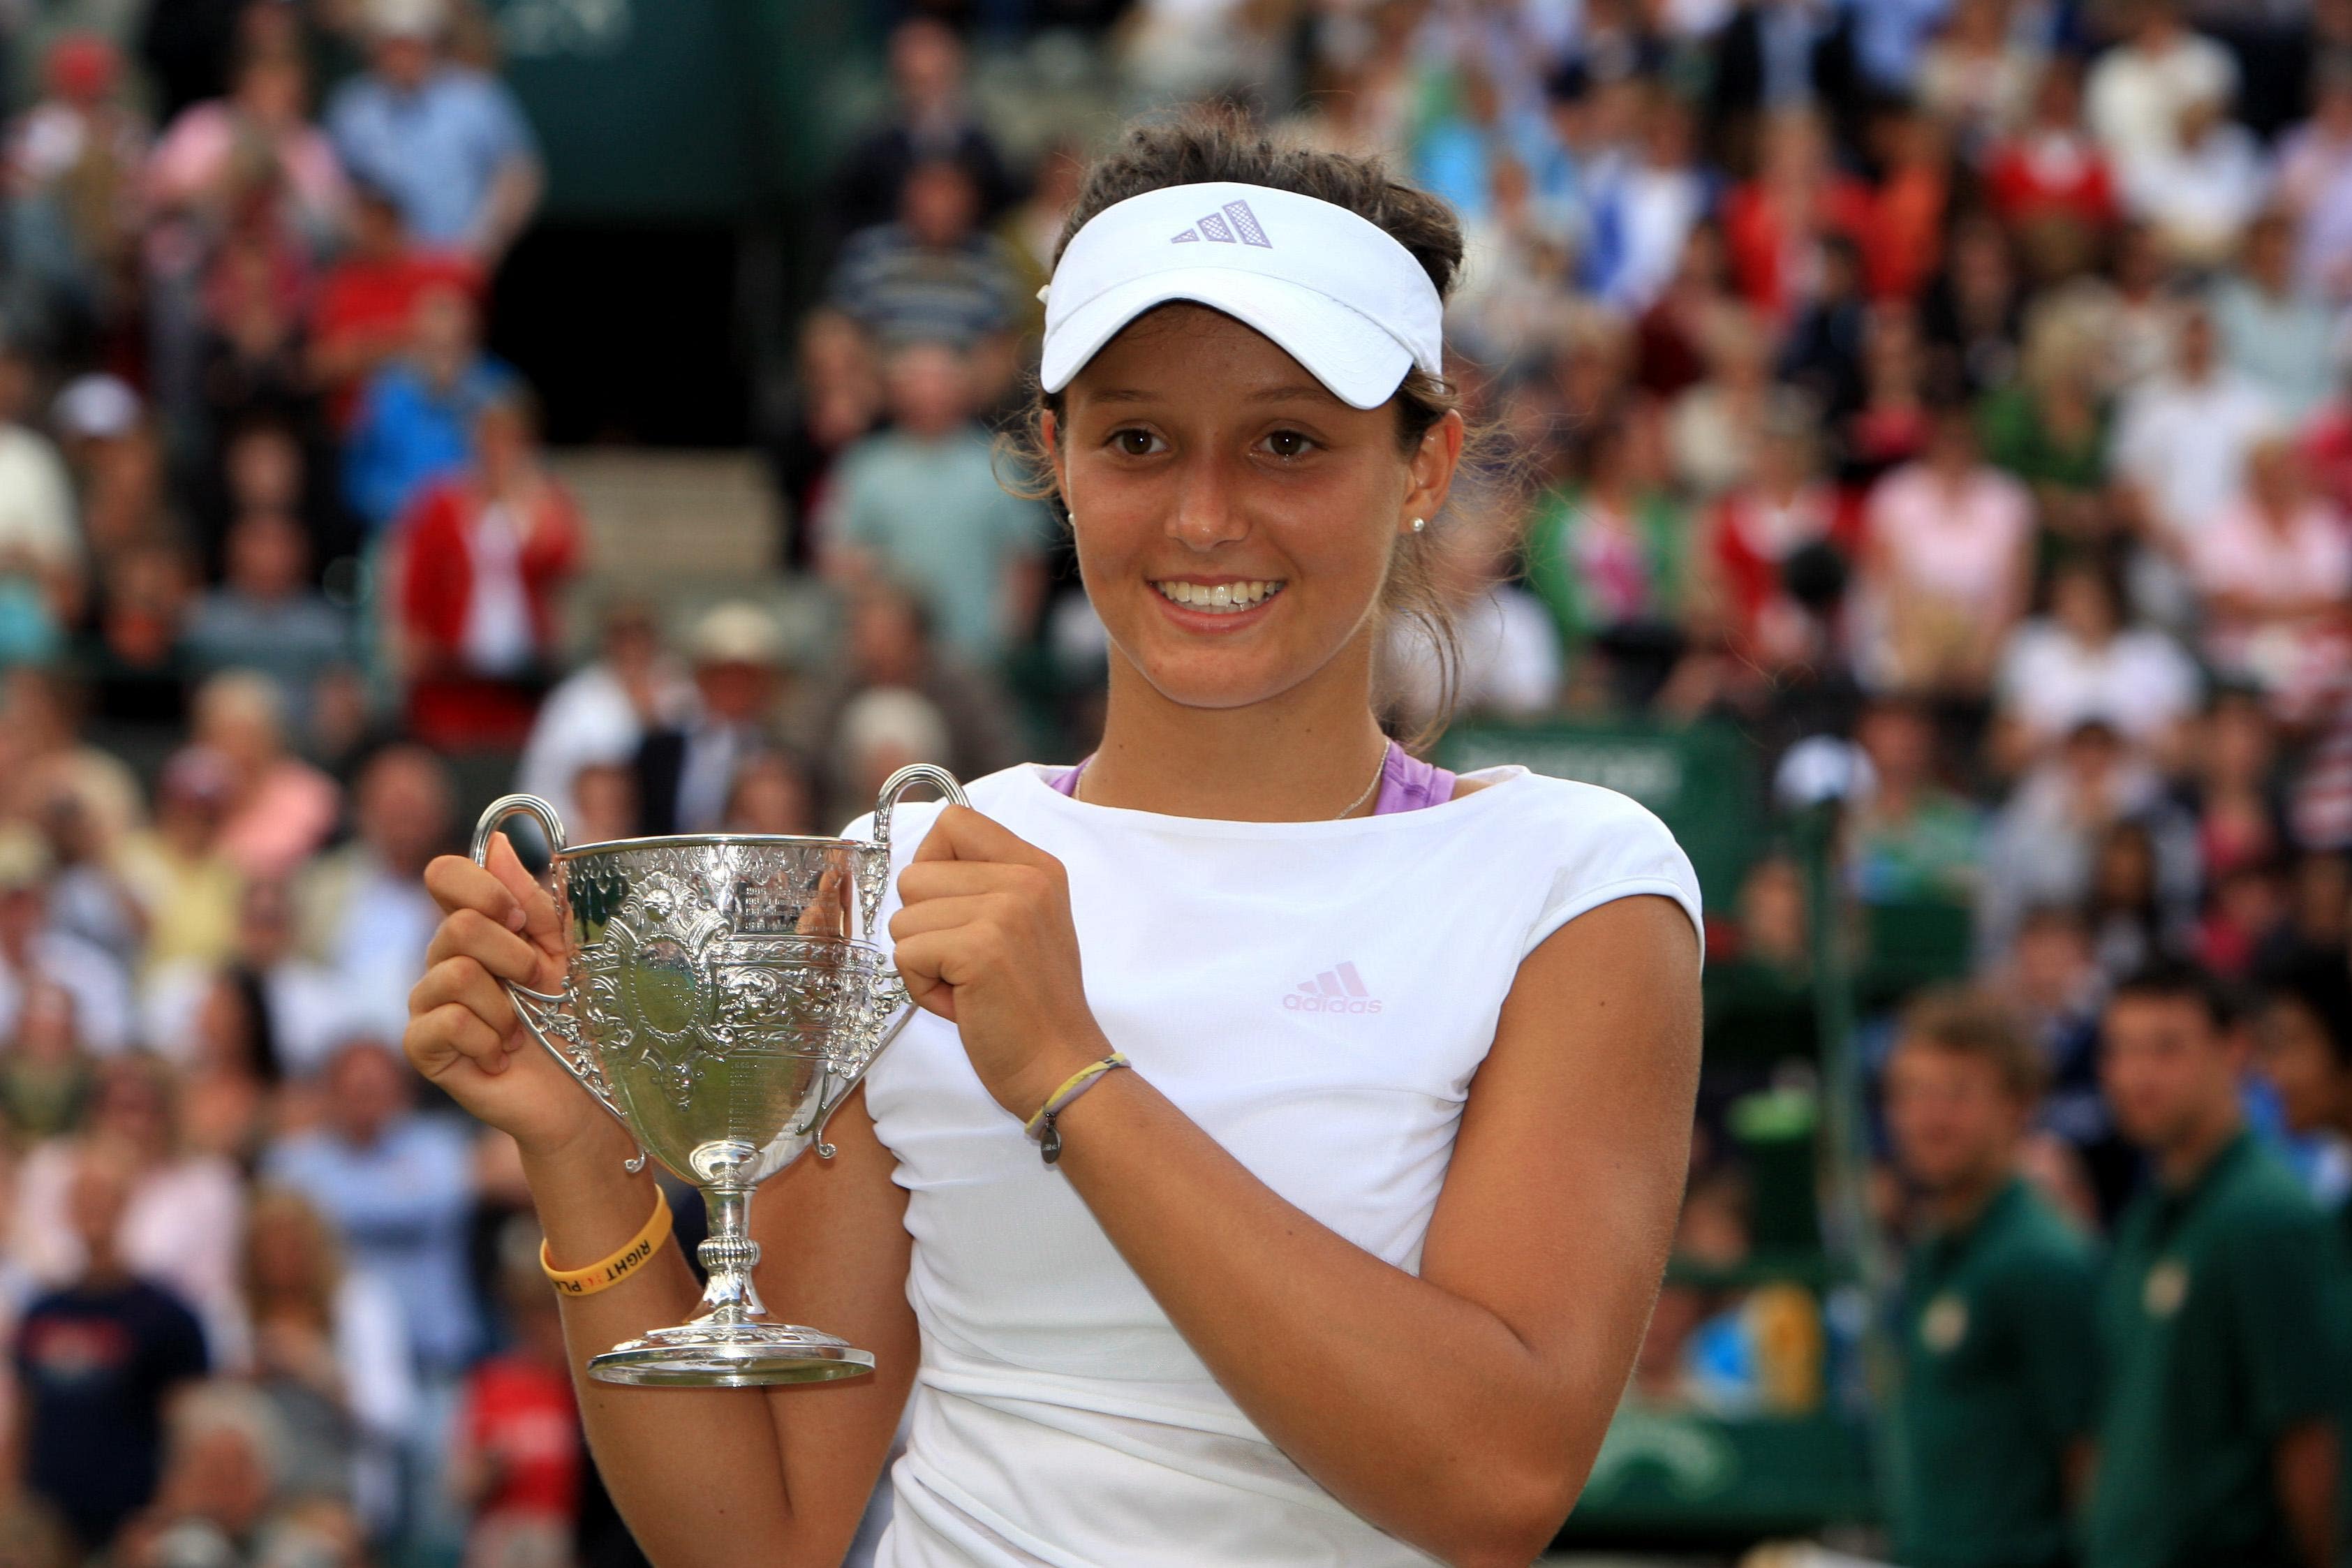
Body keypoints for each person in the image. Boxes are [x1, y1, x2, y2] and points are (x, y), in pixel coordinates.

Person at [406, 114, 1703, 1566]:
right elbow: (756, 1535)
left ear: (1423, 463)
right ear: (1053, 455)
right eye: (1137, 438)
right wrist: (582, 1139)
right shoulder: (913, 870)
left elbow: (1493, 1479)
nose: (1206, 516)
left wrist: (1068, 1074)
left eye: (1287, 441)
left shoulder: (1577, 887)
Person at [2087, 962, 2344, 1568]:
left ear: (2233, 1051)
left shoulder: (2266, 1216)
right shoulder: (2146, 1218)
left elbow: (2310, 1440)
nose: (2136, 1076)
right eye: (2119, 1050)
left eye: (2165, 1048)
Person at [1884, 989, 2099, 1568]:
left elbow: (2090, 1460)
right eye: (1911, 1093)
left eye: (1955, 1094)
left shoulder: (2041, 1260)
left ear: (2018, 1105)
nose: (1928, 1118)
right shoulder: (1932, 1249)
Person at [12, 1146, 209, 1555]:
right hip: (48, 1531)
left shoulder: (168, 1316)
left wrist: (164, 1515)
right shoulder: (40, 1312)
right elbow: (24, 1421)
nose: (92, 1207)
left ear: (128, 1203)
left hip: (134, 1527)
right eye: (82, 1196)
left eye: (103, 1195)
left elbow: (188, 1430)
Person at [820, 340, 1049, 667]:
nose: (929, 393)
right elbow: (838, 556)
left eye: (941, 381)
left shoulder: (1000, 464)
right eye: (917, 382)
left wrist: (1011, 638)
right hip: (889, 659)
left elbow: (1025, 560)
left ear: (964, 390)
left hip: (979, 654)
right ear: (896, 390)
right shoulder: (864, 467)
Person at [325, 0, 541, 266]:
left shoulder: (478, 96)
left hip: (461, 263)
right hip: (378, 267)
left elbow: (519, 176)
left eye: (413, 44)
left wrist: (484, 242)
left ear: (434, 43)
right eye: (392, 45)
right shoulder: (351, 107)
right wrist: (362, 237)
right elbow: (331, 185)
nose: (402, 56)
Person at [632, 602, 791, 837]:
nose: (733, 687)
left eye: (745, 677)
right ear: (701, 678)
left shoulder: (785, 756)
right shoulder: (659, 751)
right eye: (722, 675)